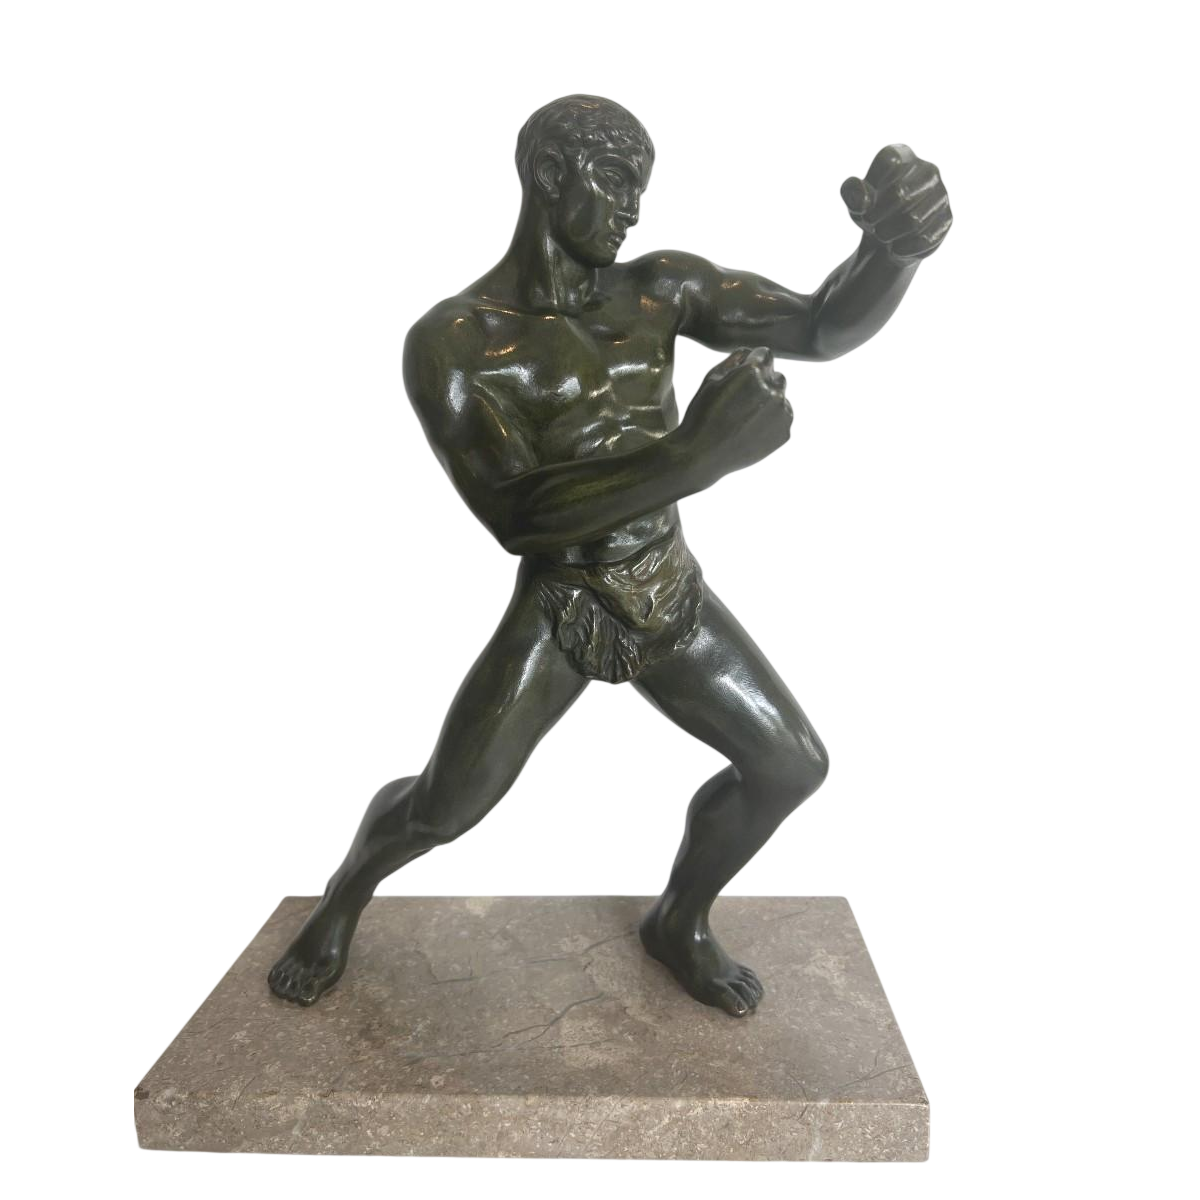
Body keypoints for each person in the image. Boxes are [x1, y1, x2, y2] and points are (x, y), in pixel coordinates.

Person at [269, 95, 952, 1016]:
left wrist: (887, 255)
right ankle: (344, 899)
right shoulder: (460, 342)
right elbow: (518, 513)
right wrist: (692, 457)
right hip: (564, 597)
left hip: (662, 582)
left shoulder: (659, 290)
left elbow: (820, 327)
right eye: (617, 179)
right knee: (446, 806)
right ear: (553, 176)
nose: (635, 205)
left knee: (788, 766)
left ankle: (682, 919)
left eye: (641, 182)